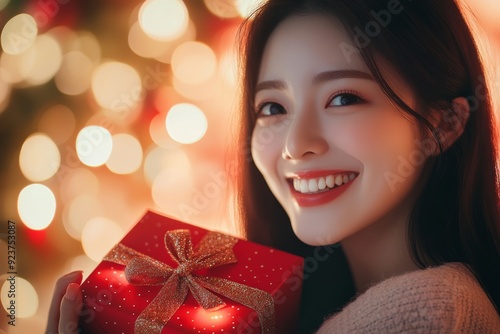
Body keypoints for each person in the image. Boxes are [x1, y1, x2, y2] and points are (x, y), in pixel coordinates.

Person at [48, 0, 500, 333]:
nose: (295, 145)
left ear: (444, 123)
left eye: (343, 98)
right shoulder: (304, 309)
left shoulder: (435, 310)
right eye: (273, 107)